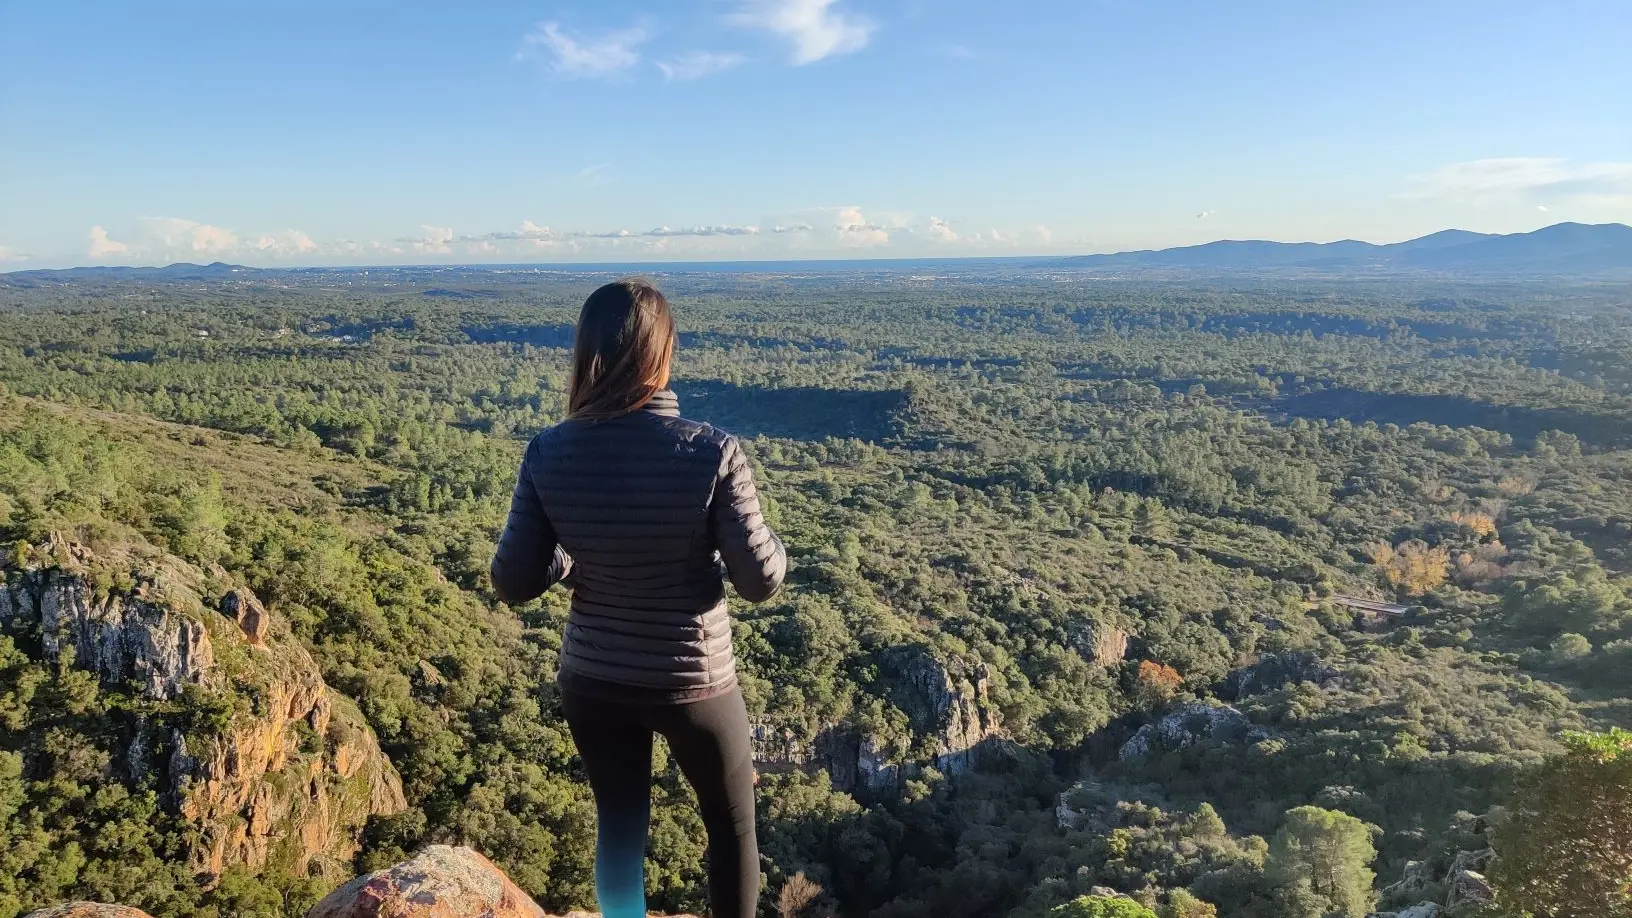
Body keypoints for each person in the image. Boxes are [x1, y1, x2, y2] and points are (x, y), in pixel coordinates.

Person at [490, 278, 787, 918]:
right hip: (694, 683)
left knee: (620, 827)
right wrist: (774, 545)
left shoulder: (548, 452)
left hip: (594, 679)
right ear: (662, 353)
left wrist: (580, 557)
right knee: (731, 830)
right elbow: (760, 581)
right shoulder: (713, 452)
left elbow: (515, 581)